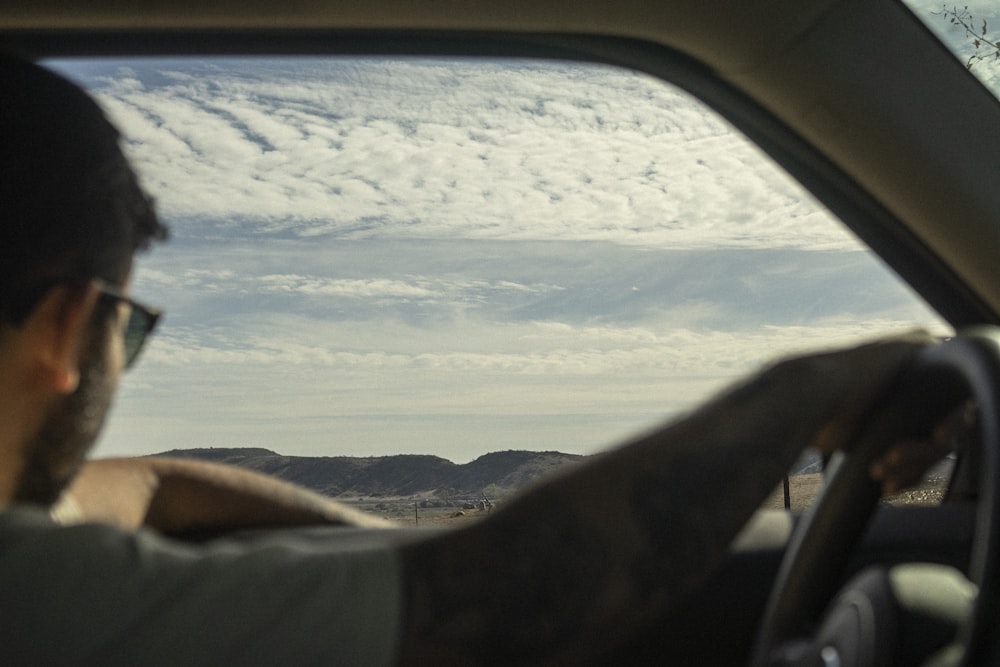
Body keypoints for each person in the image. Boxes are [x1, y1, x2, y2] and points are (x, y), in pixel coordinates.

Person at [0, 53, 956, 665]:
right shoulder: (40, 594)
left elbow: (154, 485)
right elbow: (518, 601)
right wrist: (802, 389)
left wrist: (371, 538)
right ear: (68, 325)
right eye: (125, 328)